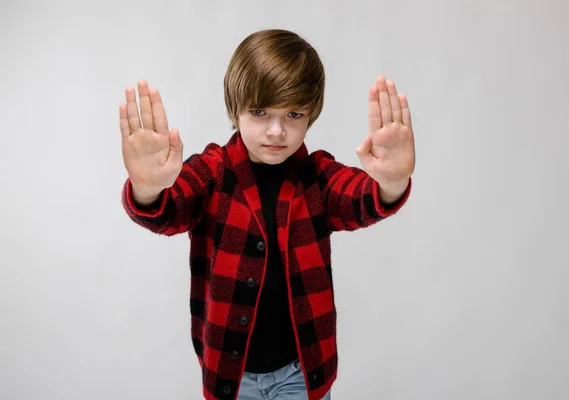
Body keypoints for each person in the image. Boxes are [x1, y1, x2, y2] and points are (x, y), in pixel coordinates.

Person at [119, 28, 415, 400]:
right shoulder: (212, 172)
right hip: (231, 375)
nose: (277, 131)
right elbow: (170, 208)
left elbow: (359, 197)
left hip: (301, 372)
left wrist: (392, 182)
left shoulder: (316, 176)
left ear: (311, 115)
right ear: (236, 109)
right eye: (260, 112)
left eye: (294, 113)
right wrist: (148, 188)